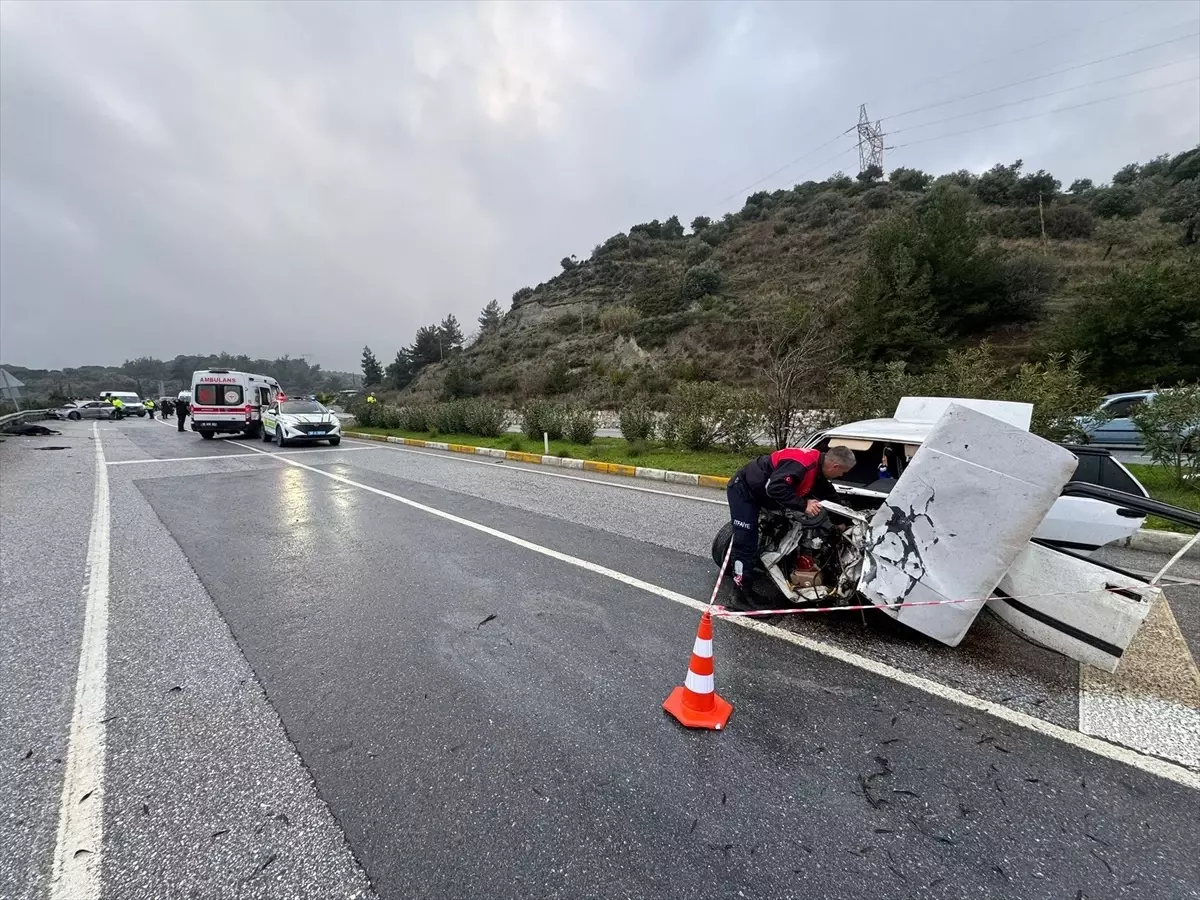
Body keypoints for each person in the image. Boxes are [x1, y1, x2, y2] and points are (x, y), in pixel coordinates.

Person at [724, 445, 857, 609]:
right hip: (744, 491)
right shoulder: (801, 464)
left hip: (763, 492)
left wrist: (843, 521)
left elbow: (827, 493)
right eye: (842, 472)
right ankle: (739, 596)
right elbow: (775, 488)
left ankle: (750, 580)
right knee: (745, 543)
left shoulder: (817, 466)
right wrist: (803, 505)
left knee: (773, 532)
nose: (842, 476)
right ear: (835, 466)